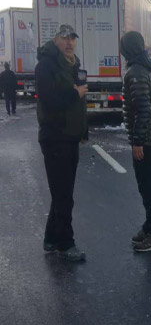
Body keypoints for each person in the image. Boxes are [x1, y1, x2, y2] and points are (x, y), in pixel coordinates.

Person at [35, 24, 88, 261]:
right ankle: (66, 243)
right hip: (55, 137)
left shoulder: (72, 64)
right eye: (65, 38)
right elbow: (49, 100)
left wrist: (82, 129)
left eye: (73, 39)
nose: (70, 43)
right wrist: (75, 93)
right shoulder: (45, 65)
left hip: (70, 136)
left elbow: (77, 103)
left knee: (61, 193)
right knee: (64, 194)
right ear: (55, 40)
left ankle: (51, 239)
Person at [120, 31, 151, 252]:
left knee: (148, 188)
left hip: (147, 141)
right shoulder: (145, 66)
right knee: (146, 187)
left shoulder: (137, 71)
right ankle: (149, 227)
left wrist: (137, 141)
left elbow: (142, 109)